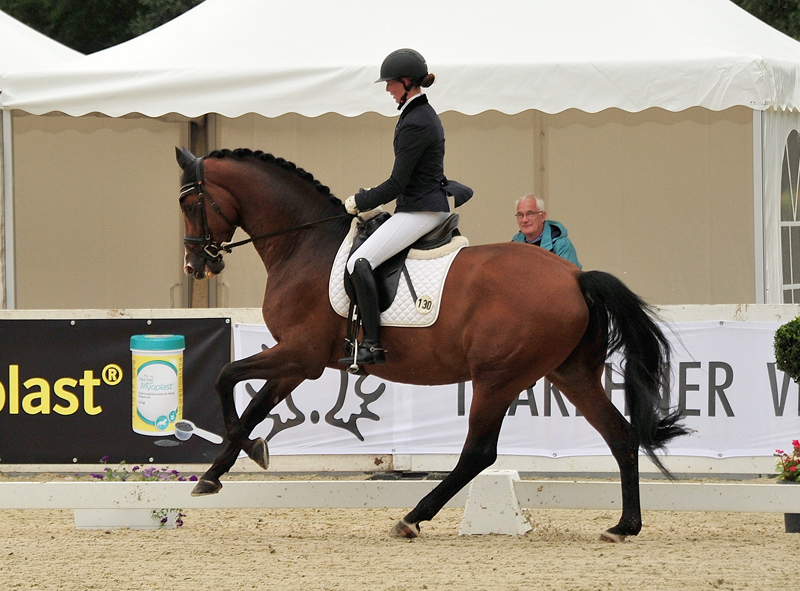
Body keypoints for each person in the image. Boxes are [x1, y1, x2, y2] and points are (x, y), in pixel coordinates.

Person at [339, 48, 464, 368]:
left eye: (391, 83)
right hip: (420, 204)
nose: (387, 89)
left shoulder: (416, 121)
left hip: (420, 210)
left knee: (359, 261)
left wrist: (360, 201)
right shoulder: (418, 114)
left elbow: (396, 184)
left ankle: (372, 344)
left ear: (407, 82)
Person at [512, 195, 582, 268]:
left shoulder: (562, 245)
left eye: (530, 214)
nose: (524, 220)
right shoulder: (514, 245)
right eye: (520, 215)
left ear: (542, 216)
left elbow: (568, 278)